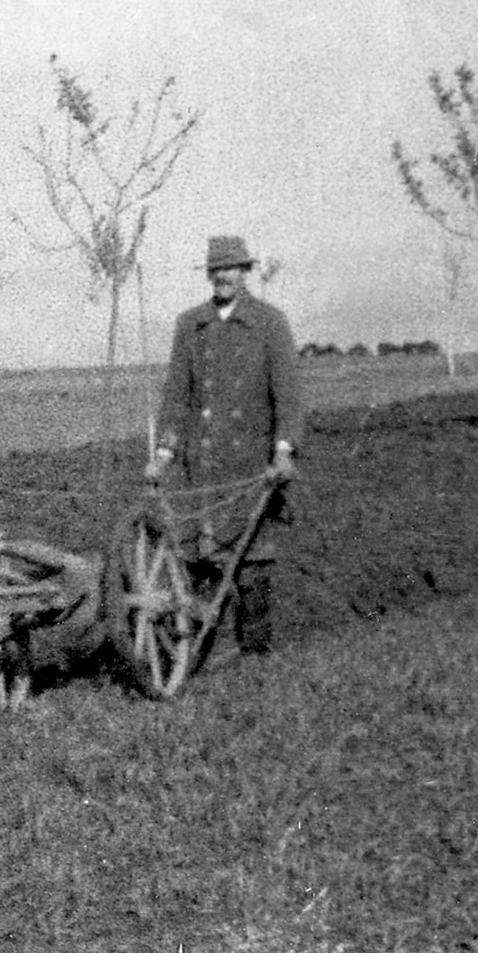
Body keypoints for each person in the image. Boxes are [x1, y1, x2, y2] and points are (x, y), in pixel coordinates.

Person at [144, 234, 303, 655]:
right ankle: (201, 651)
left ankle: (254, 654)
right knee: (200, 559)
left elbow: (287, 396)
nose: (222, 277)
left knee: (251, 561)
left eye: (229, 268)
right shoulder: (190, 324)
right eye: (215, 270)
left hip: (251, 464)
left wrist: (284, 450)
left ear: (245, 271)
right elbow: (176, 395)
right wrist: (164, 452)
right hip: (203, 463)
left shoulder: (270, 323)